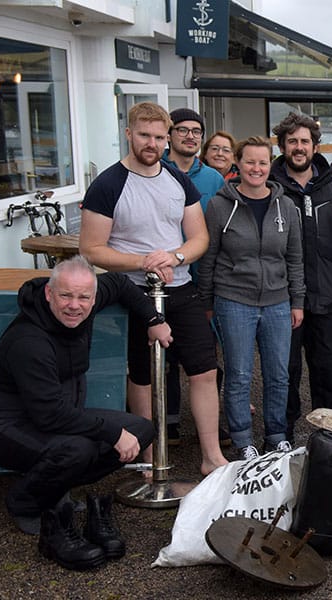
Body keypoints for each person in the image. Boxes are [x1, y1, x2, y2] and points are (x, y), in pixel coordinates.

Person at [0, 256, 168, 569]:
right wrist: (111, 432)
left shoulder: (84, 298)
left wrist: (153, 320)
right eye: (65, 296)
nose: (74, 305)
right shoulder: (28, 340)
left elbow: (119, 283)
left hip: (55, 416)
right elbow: (50, 415)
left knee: (141, 429)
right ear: (50, 294)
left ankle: (55, 488)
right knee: (79, 448)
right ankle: (25, 502)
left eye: (83, 297)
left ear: (92, 296)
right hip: (4, 428)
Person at [79, 101, 228, 475]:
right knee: (143, 376)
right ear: (128, 134)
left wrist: (175, 258)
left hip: (179, 286)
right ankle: (149, 456)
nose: (152, 144)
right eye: (144, 135)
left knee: (204, 369)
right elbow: (91, 248)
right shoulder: (108, 184)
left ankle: (211, 457)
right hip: (131, 291)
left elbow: (198, 239)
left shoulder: (179, 180)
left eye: (159, 137)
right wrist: (143, 261)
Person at [199, 136, 305, 459]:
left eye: (262, 162)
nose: (256, 169)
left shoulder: (285, 206)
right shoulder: (219, 206)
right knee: (239, 374)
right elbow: (209, 256)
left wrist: (297, 300)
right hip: (234, 300)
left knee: (278, 373)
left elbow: (295, 258)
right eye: (249, 162)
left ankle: (276, 435)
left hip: (277, 301)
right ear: (238, 164)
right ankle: (243, 439)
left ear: (269, 165)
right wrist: (207, 301)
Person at [268, 112, 332, 442]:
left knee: (329, 372)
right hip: (282, 299)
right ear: (282, 146)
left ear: (315, 145)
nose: (299, 147)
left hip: (325, 298)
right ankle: (281, 437)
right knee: (284, 373)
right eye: (292, 141)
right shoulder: (271, 188)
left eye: (305, 141)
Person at [159, 107, 225, 446]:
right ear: (170, 135)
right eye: (182, 130)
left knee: (207, 353)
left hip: (205, 277)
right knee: (164, 353)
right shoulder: (157, 171)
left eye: (196, 131)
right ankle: (168, 421)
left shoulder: (213, 178)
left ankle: (215, 423)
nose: (190, 136)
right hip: (166, 278)